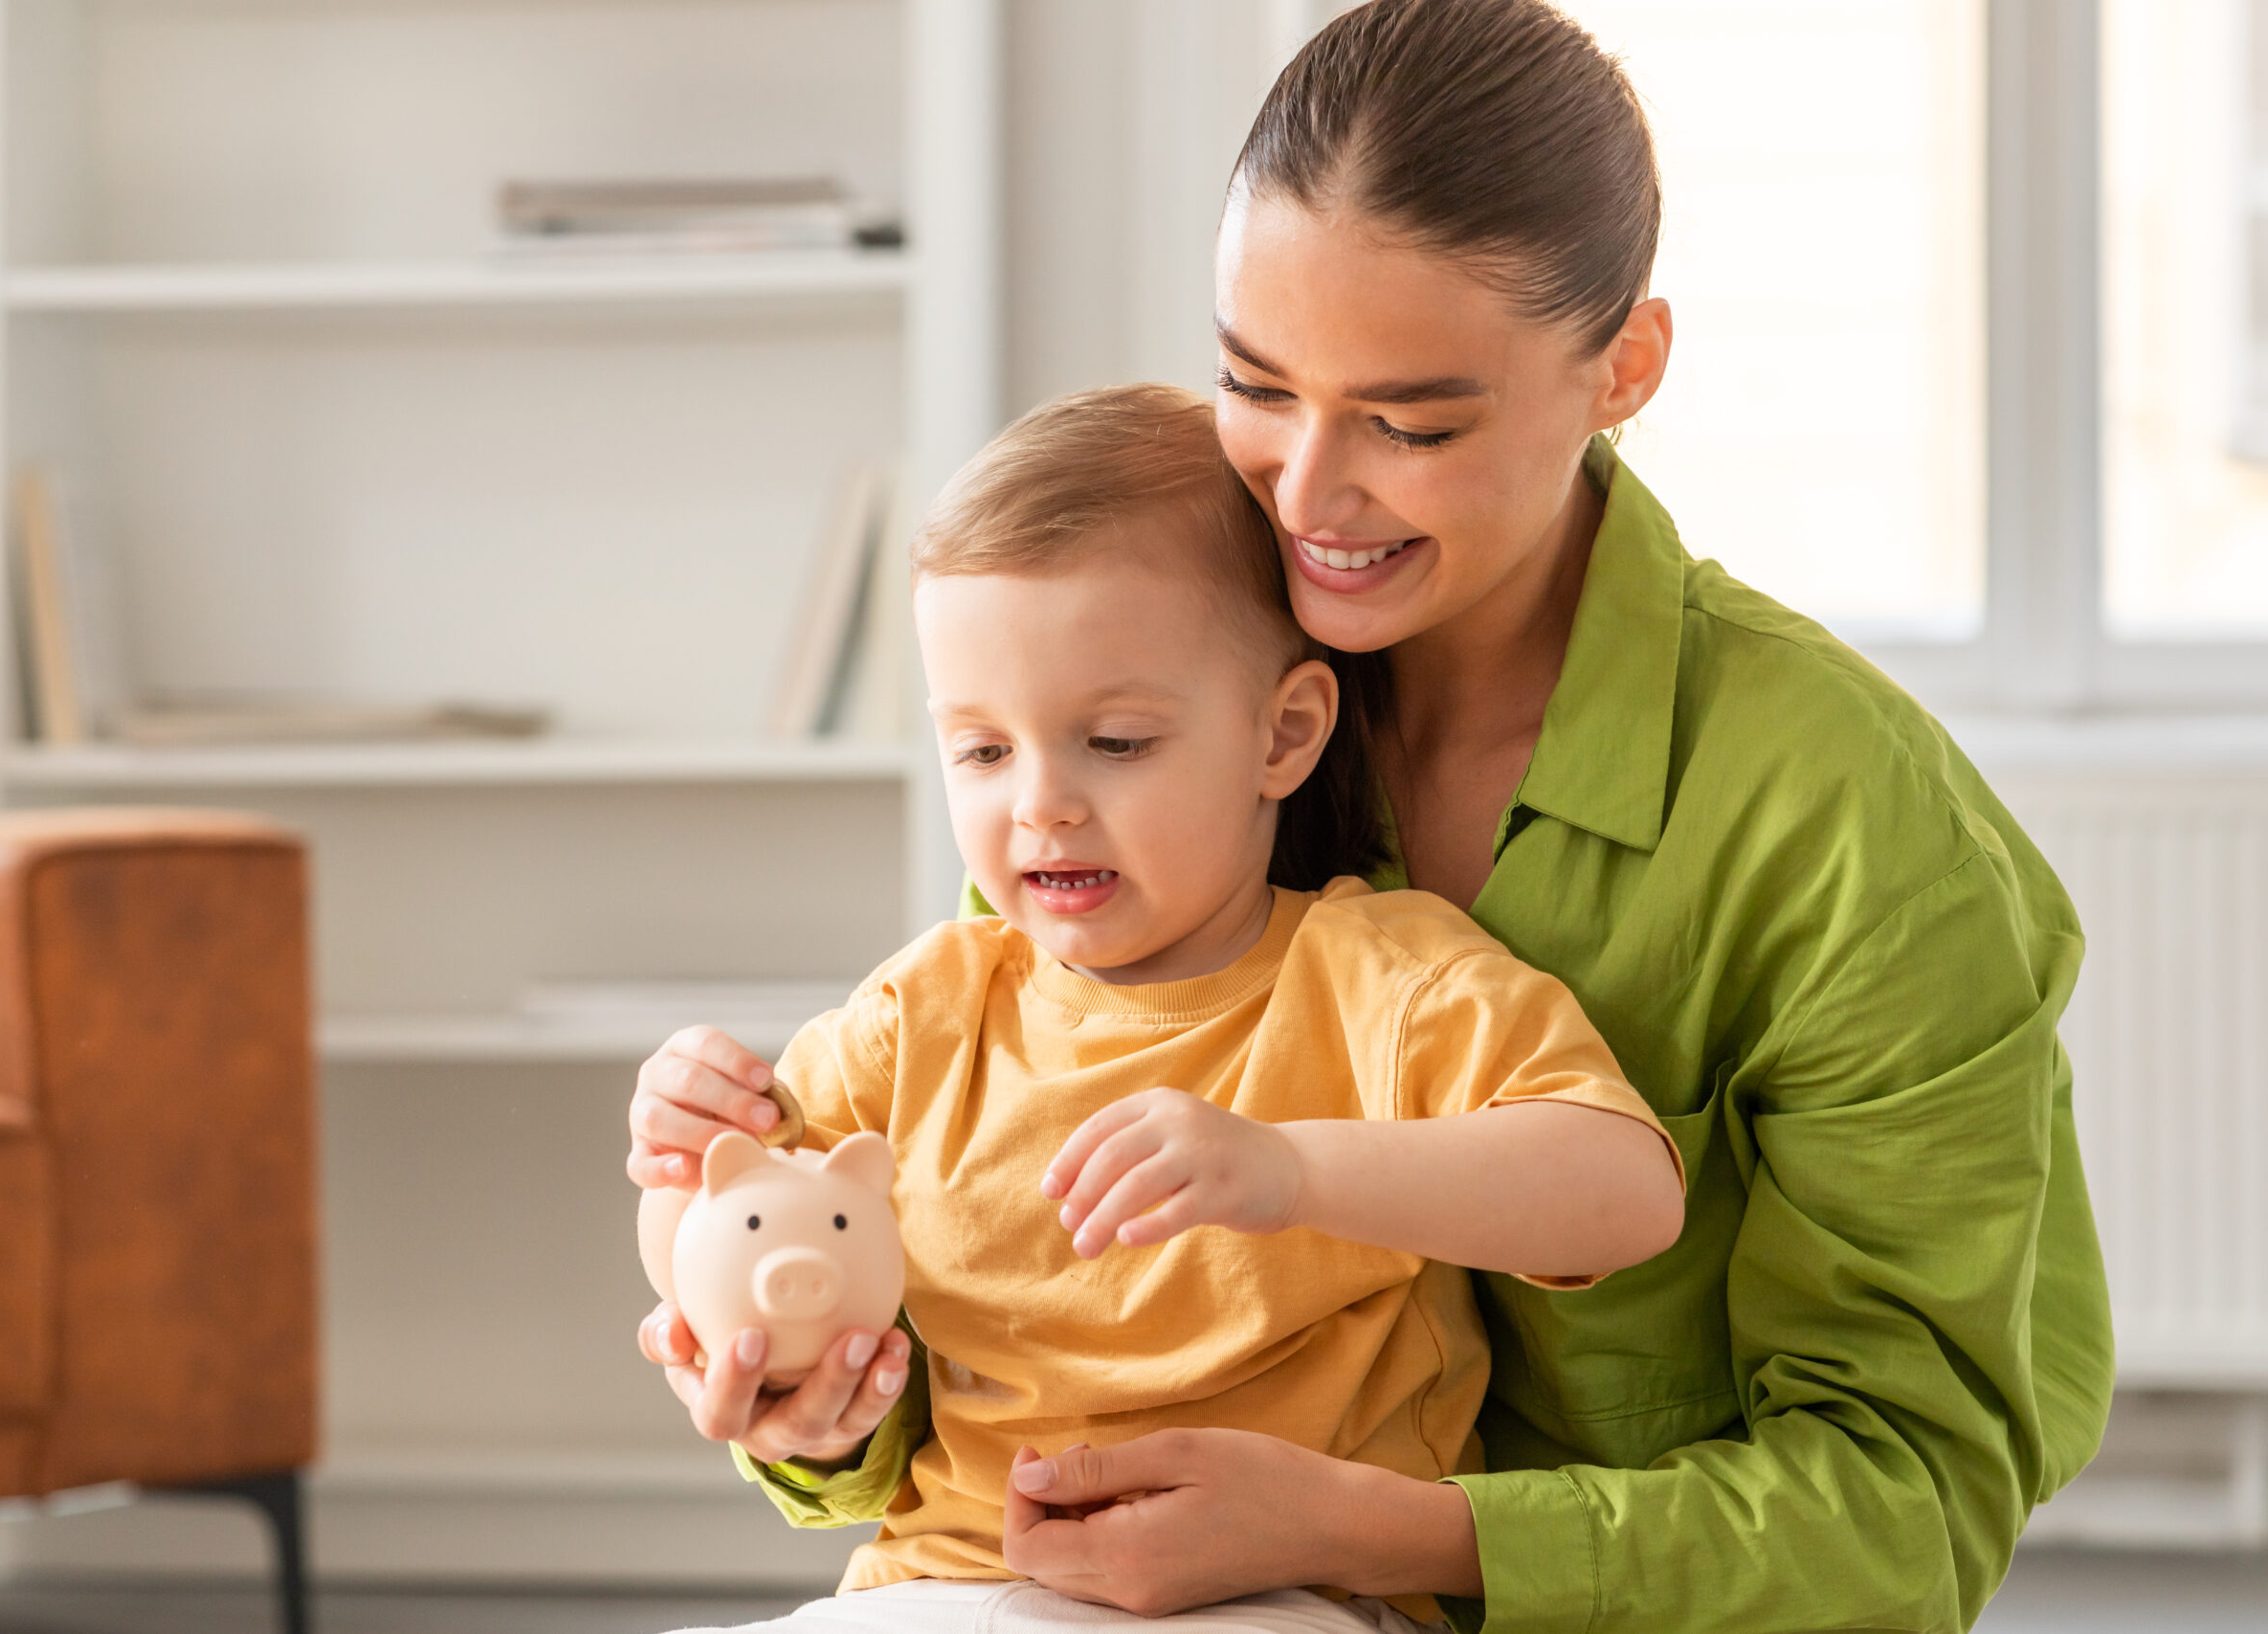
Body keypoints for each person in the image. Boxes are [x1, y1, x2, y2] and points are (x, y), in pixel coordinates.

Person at [638, 2, 2118, 1629]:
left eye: (1410, 424)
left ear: (1622, 368)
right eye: (1253, 387)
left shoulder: (1851, 831)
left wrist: (1367, 1531)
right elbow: (1001, 1256)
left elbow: (1908, 1510)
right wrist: (818, 1408)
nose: (1303, 497)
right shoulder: (1161, 667)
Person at [628, 384, 1686, 1633]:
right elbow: (731, 1242)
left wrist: (1287, 1172)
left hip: (1293, 1595)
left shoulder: (1378, 979)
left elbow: (1627, 1194)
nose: (1041, 806)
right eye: (980, 750)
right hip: (947, 1585)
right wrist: (690, 1170)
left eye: (1115, 742)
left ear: (1282, 736)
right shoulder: (927, 1010)